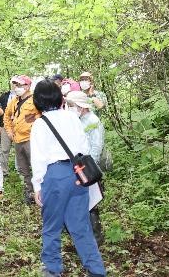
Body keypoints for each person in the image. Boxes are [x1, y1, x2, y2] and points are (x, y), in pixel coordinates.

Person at [30, 79, 106, 277]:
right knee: (81, 227)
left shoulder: (40, 124)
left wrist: (37, 185)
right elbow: (85, 148)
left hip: (55, 176)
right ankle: (97, 271)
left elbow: (38, 158)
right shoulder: (72, 118)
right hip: (77, 173)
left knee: (52, 226)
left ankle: (52, 270)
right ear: (59, 97)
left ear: (37, 101)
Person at [66, 91, 105, 245]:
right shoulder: (78, 120)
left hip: (88, 168)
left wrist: (89, 170)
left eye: (72, 105)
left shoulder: (93, 121)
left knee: (91, 204)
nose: (70, 108)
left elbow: (96, 146)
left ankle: (95, 238)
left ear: (81, 106)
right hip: (78, 166)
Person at [3, 75, 40, 204]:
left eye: (20, 85)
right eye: (16, 85)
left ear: (28, 86)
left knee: (36, 167)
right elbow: (6, 116)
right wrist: (9, 131)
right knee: (23, 169)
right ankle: (29, 193)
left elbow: (42, 117)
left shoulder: (36, 100)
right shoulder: (14, 101)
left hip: (31, 139)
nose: (17, 88)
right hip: (17, 140)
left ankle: (40, 193)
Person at [0, 76, 19, 176]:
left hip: (19, 126)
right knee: (4, 149)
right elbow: (0, 112)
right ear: (11, 83)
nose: (15, 84)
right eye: (13, 82)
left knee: (20, 150)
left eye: (17, 82)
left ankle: (20, 171)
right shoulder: (4, 96)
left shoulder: (26, 97)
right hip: (6, 125)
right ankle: (3, 172)